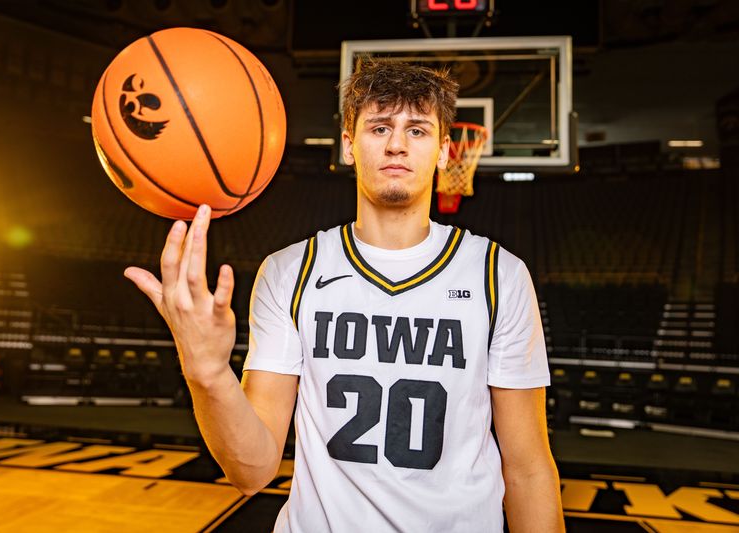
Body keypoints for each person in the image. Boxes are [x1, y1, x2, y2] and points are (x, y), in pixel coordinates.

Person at [125, 60, 565, 532]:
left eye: (417, 130)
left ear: (444, 151)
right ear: (349, 145)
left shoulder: (498, 275)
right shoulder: (290, 272)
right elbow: (251, 472)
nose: (396, 144)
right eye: (380, 127)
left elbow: (528, 469)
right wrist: (207, 372)